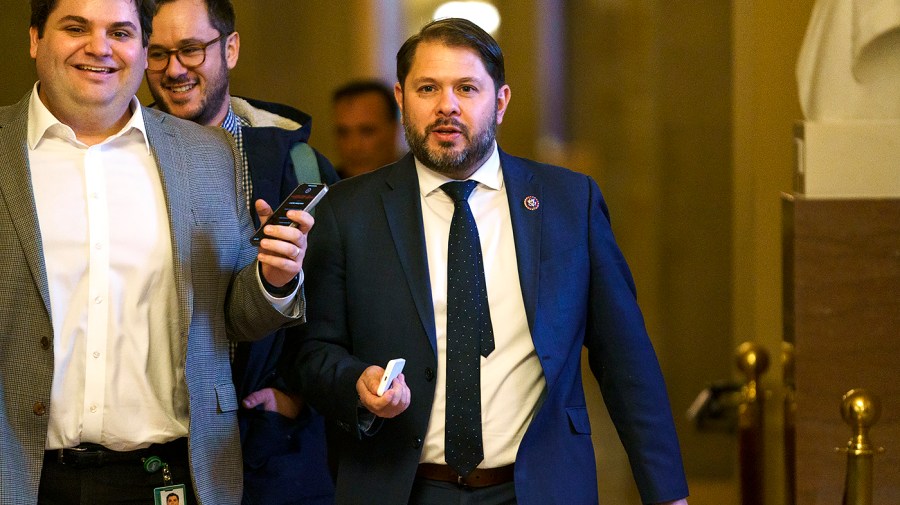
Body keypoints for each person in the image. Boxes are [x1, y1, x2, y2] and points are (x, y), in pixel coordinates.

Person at [290, 17, 690, 505]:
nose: (447, 106)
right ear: (400, 99)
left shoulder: (569, 204)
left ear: (499, 102)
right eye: (428, 88)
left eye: (466, 87)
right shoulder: (347, 211)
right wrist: (357, 382)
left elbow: (625, 358)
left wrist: (666, 492)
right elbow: (312, 355)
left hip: (538, 489)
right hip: (404, 487)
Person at [0, 0, 312, 503]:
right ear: (35, 38)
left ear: (143, 52)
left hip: (169, 473)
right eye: (75, 27)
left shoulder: (207, 155)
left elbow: (232, 319)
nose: (99, 46)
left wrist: (273, 280)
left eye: (120, 32)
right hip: (20, 474)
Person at [144, 0, 336, 503]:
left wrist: (296, 397)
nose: (173, 69)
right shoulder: (122, 159)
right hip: (155, 443)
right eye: (157, 53)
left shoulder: (298, 161)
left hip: (271, 447)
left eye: (190, 49)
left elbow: (337, 297)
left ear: (230, 48)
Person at [331, 79, 401, 178]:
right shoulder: (326, 189)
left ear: (394, 130)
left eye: (366, 132)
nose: (354, 147)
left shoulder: (422, 185)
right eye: (343, 133)